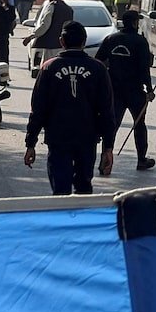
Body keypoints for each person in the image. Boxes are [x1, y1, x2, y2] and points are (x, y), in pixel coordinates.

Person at [24, 21, 115, 195]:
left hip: (58, 138)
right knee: (84, 187)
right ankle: (80, 220)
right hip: (87, 138)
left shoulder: (49, 67)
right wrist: (108, 148)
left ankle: (63, 219)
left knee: (60, 190)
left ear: (61, 41)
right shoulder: (98, 69)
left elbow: (38, 109)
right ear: (84, 41)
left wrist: (31, 143)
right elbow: (107, 112)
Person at [94, 9, 156, 171]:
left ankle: (105, 161)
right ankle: (141, 160)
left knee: (111, 126)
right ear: (136, 23)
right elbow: (144, 68)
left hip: (114, 90)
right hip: (135, 91)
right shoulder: (140, 41)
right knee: (139, 124)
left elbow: (98, 61)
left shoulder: (111, 39)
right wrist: (149, 89)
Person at [23, 0, 74, 75]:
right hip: (63, 46)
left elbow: (44, 26)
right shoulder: (68, 9)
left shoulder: (51, 6)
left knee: (48, 71)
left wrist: (31, 36)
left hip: (51, 46)